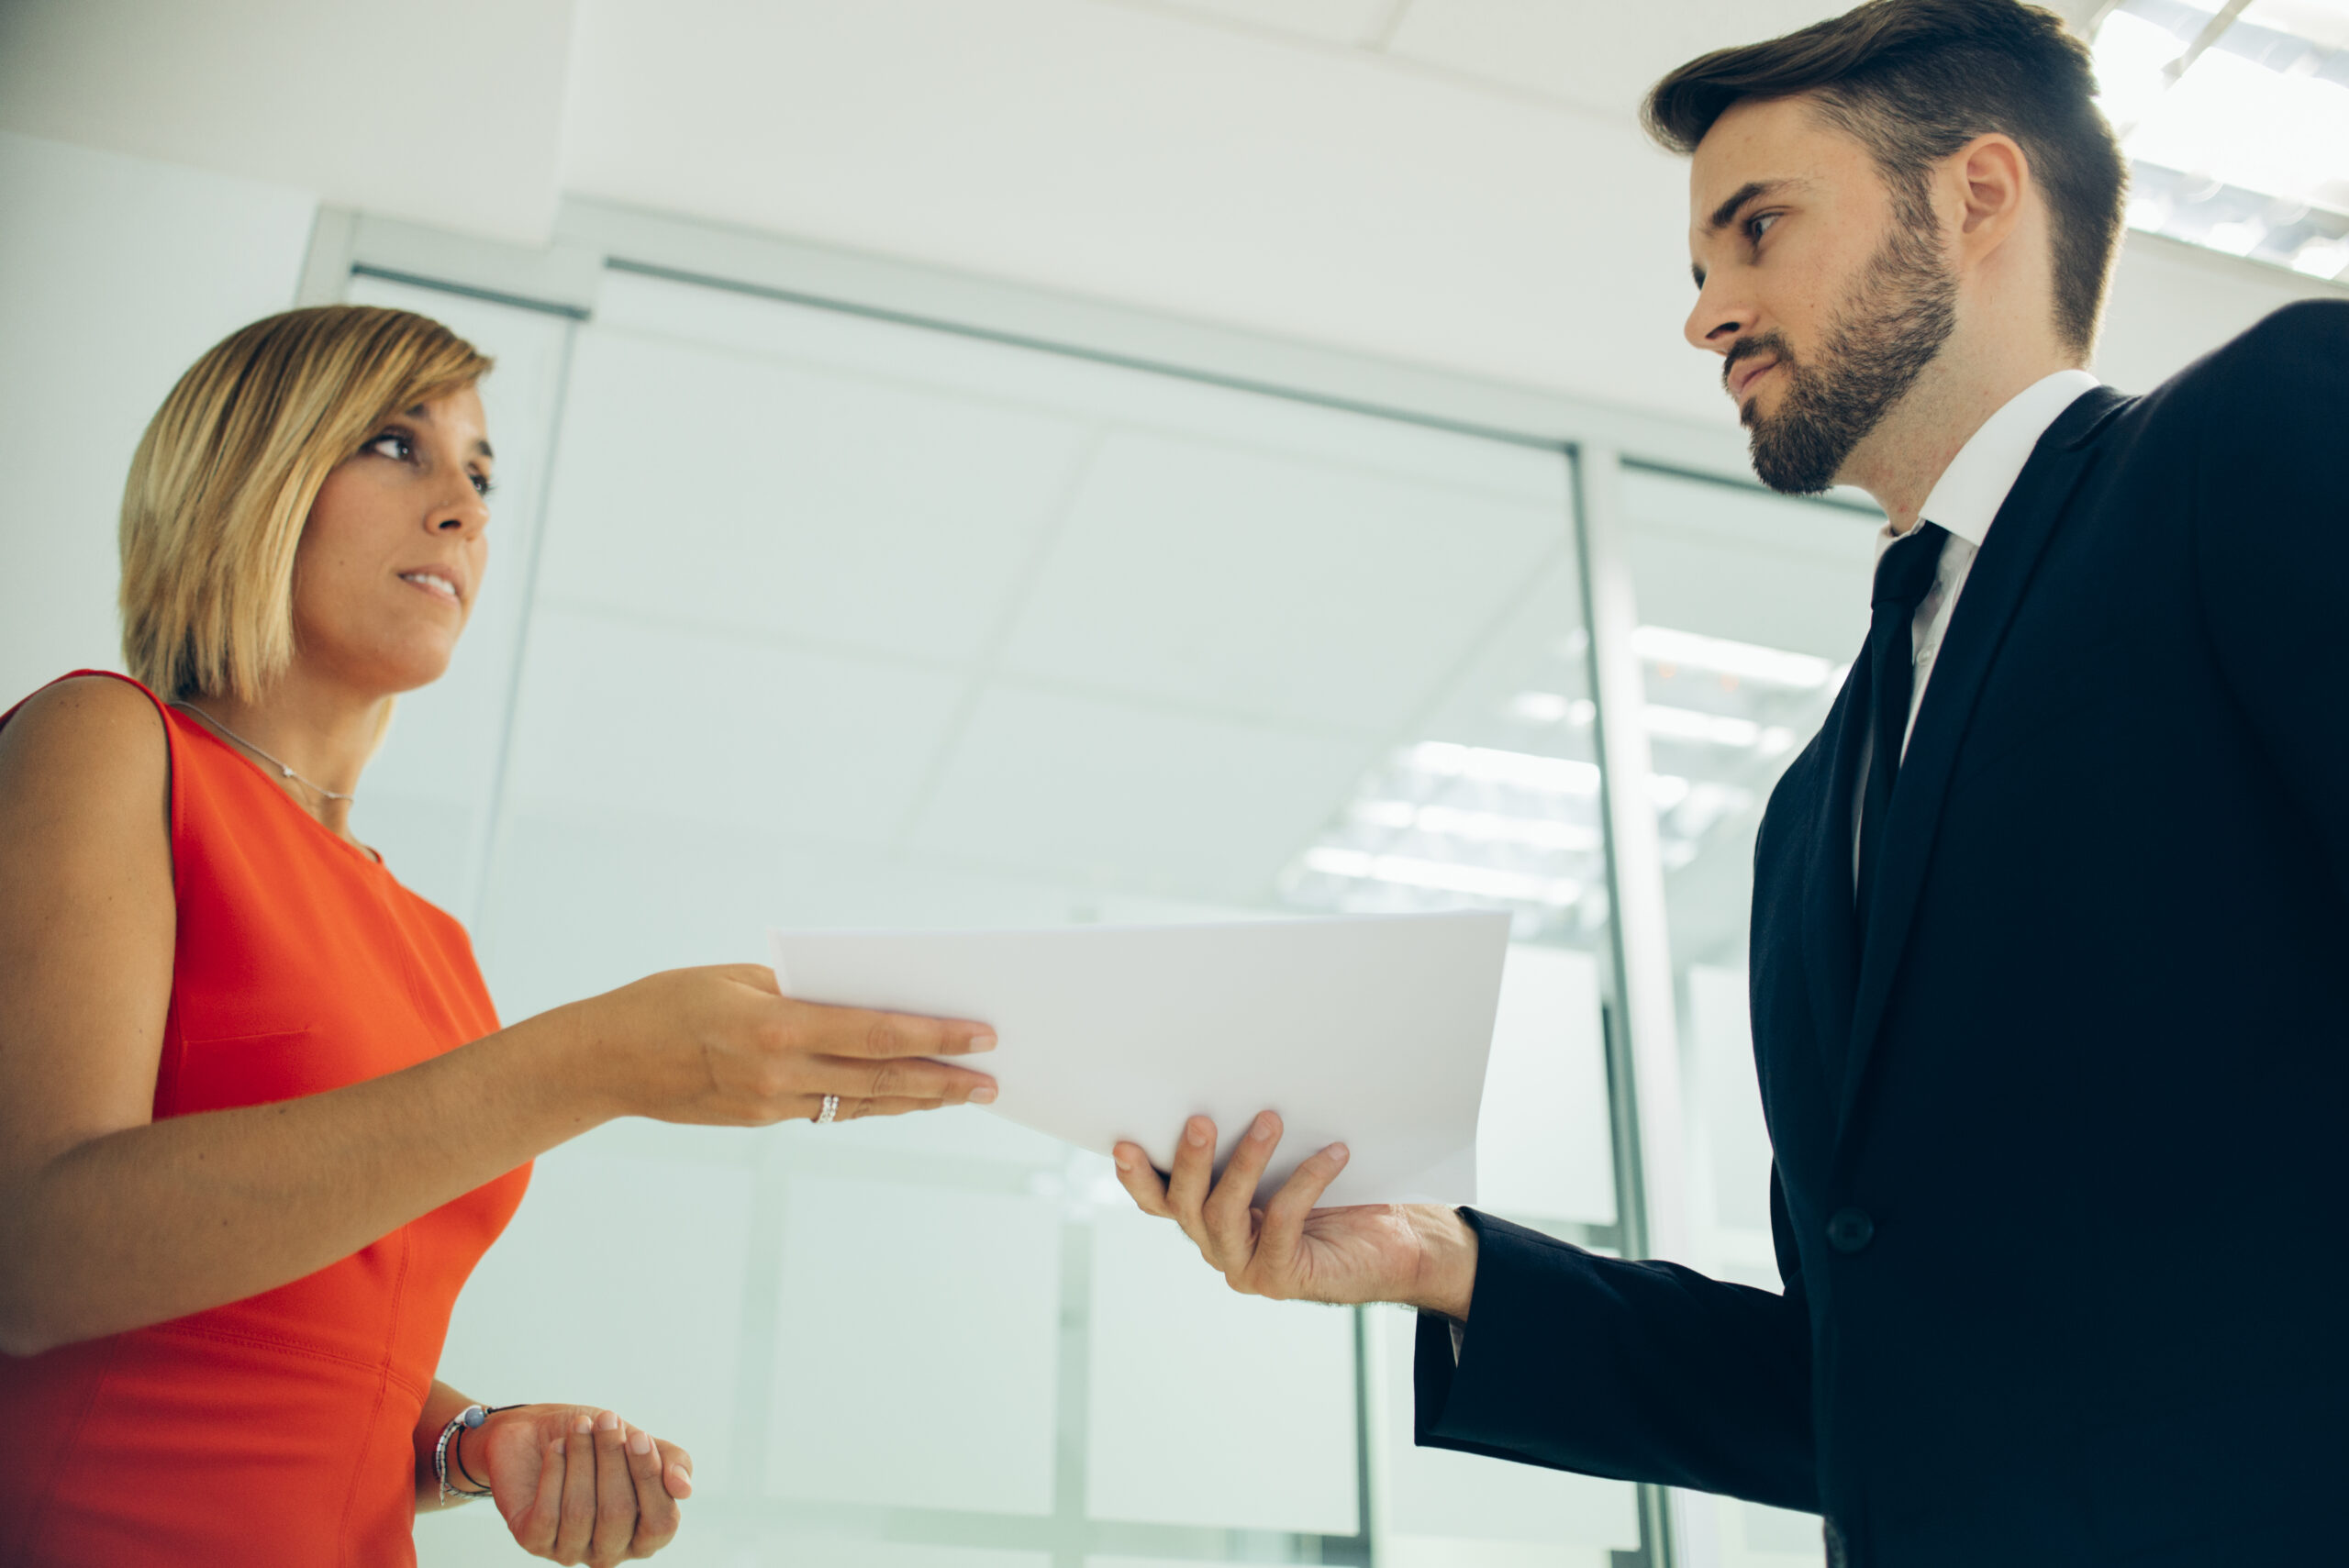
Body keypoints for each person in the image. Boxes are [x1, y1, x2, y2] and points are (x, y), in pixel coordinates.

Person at [1111, 1, 2348, 1562]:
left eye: (1757, 232)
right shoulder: (1811, 809)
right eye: (1702, 270)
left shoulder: (2264, 436)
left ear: (1977, 197)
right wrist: (1441, 1261)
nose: (1709, 316)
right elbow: (1867, 1385)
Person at [0, 306, 1002, 1568]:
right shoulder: (110, 744)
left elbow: (291, 1324)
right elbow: (31, 1255)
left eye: (481, 472)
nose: (465, 507)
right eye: (393, 443)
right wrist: (588, 1064)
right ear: (246, 474)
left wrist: (466, 1437)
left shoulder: (437, 945)